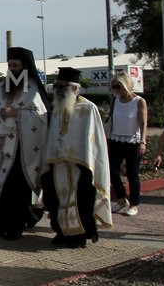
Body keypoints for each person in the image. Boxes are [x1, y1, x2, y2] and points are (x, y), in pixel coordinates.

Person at [0, 47, 50, 240]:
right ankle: (3, 223)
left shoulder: (33, 88)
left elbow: (41, 117)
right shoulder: (2, 87)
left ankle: (14, 226)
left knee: (17, 187)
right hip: (3, 146)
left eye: (15, 65)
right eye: (9, 65)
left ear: (25, 67)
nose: (12, 68)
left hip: (23, 149)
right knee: (4, 185)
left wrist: (17, 114)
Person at [40, 67, 113, 248]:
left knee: (81, 200)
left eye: (63, 86)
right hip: (57, 164)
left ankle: (78, 236)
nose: (59, 89)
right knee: (55, 199)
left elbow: (94, 140)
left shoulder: (88, 109)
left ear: (75, 88)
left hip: (79, 164)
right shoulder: (57, 108)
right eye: (57, 86)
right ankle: (61, 232)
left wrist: (85, 161)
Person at [106, 72, 148, 216]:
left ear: (127, 84)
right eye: (114, 86)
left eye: (119, 86)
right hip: (115, 140)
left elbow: (143, 122)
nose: (117, 89)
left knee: (132, 173)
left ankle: (134, 204)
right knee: (113, 171)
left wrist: (143, 141)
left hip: (133, 141)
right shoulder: (115, 100)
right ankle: (121, 199)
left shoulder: (139, 101)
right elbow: (110, 118)